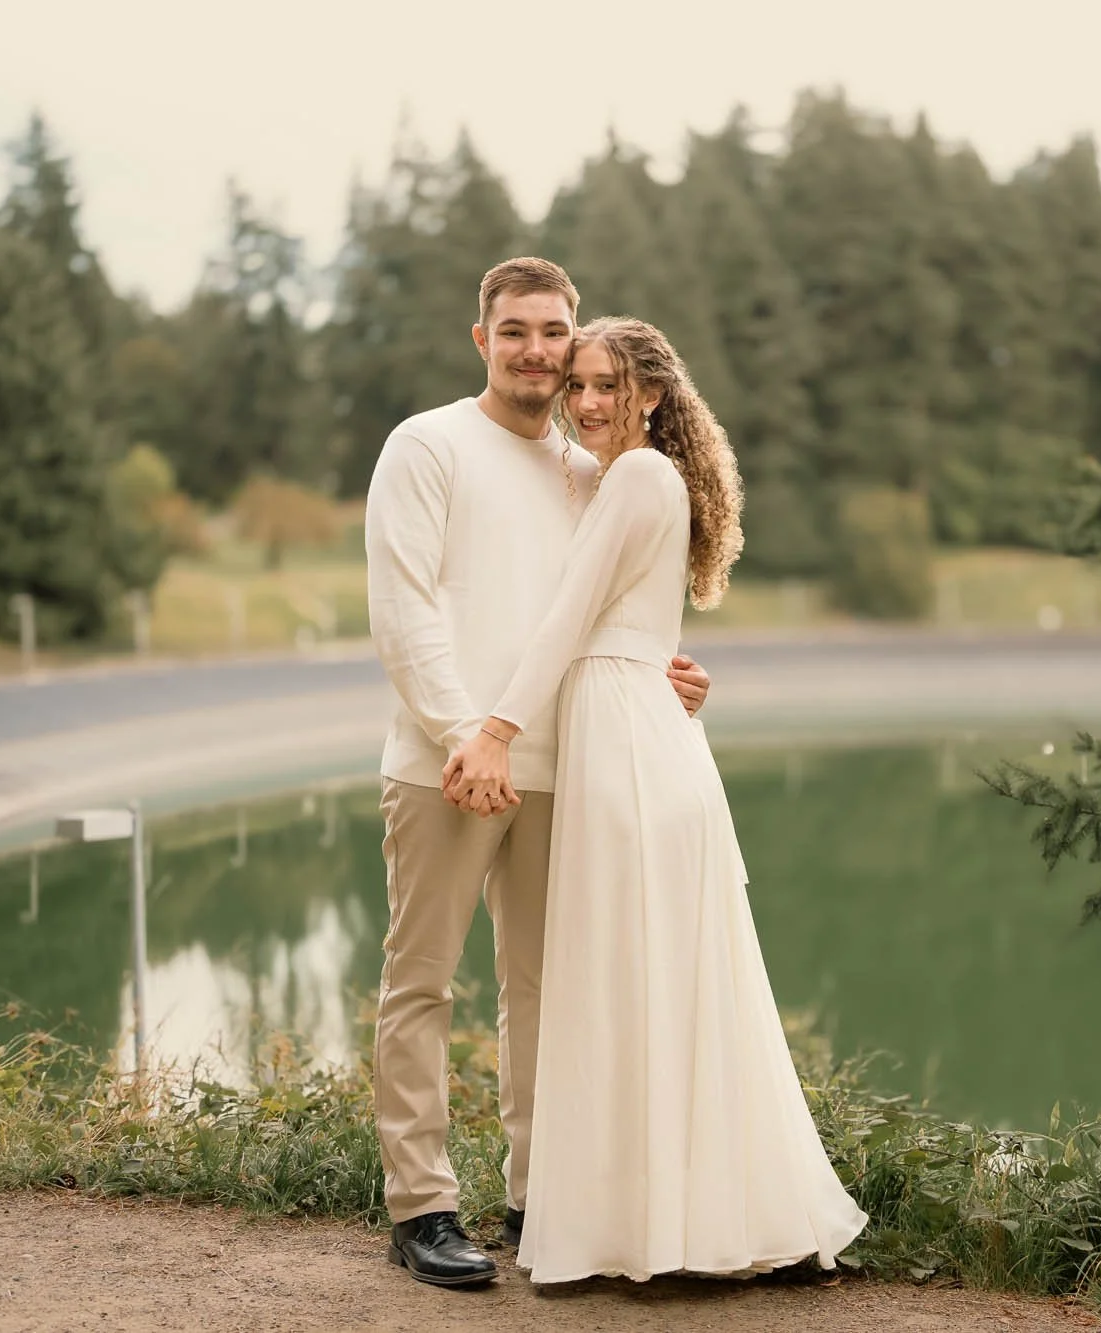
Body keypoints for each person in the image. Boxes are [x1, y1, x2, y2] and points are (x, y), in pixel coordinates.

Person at [445, 316, 869, 1283]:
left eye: (609, 386)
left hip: (628, 748)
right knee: (648, 986)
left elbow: (568, 617)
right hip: (636, 726)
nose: (587, 401)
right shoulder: (620, 476)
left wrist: (497, 730)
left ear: (652, 396)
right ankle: (657, 1223)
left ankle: (654, 1230)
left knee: (628, 981)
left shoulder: (638, 475)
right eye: (578, 385)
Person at [365, 260, 714, 1289]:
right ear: (481, 338)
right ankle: (421, 1206)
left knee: (543, 992)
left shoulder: (589, 467)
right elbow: (405, 610)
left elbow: (604, 613)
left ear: (573, 345)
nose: (535, 349)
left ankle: (535, 1194)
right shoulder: (426, 445)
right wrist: (466, 735)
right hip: (448, 765)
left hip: (572, 768)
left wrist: (664, 676)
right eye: (513, 329)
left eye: (552, 332)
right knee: (420, 981)